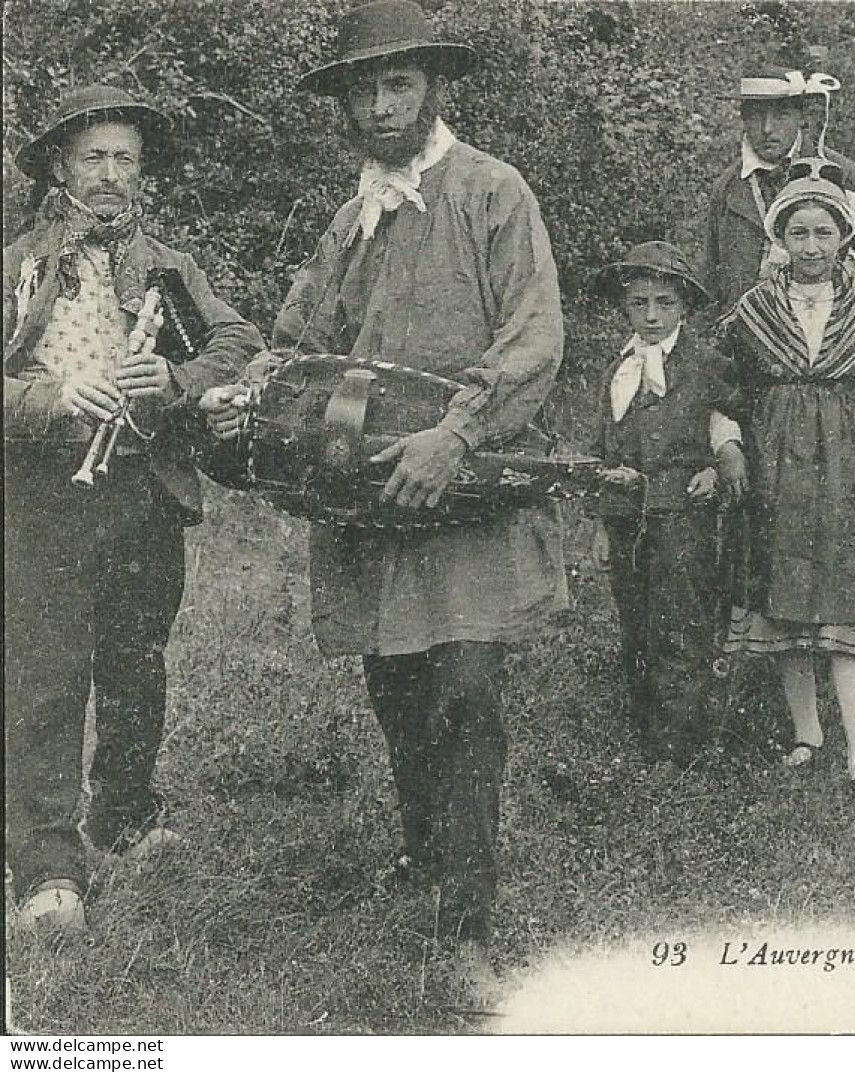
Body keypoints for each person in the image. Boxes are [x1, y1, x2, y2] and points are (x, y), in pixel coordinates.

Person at [201, 0, 566, 955]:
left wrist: (457, 434)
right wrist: (251, 393)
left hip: (466, 488)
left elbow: (532, 336)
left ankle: (471, 898)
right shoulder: (351, 219)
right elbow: (297, 340)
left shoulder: (492, 191)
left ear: (432, 89)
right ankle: (422, 848)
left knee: (466, 685)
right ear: (345, 107)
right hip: (366, 493)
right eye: (362, 88)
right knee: (396, 684)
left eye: (397, 83)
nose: (380, 104)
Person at [4, 86, 262, 932]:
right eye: (93, 158)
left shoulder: (167, 268)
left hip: (144, 493)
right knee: (45, 679)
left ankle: (124, 816)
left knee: (134, 663)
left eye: (126, 160)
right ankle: (46, 866)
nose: (111, 176)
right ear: (58, 166)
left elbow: (239, 342)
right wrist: (52, 395)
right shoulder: (17, 266)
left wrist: (179, 379)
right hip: (41, 498)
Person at [716, 166, 855, 803]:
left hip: (848, 468)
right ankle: (807, 733)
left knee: (849, 595)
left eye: (823, 233)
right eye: (797, 232)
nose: (810, 246)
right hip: (775, 466)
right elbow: (724, 389)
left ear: (844, 239)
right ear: (779, 237)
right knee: (784, 595)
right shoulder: (753, 309)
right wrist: (730, 447)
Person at [587, 242, 747, 764]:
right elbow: (604, 444)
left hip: (682, 516)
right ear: (625, 308)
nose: (652, 315)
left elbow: (729, 425)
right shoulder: (621, 367)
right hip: (626, 513)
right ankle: (646, 734)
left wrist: (715, 468)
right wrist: (600, 524)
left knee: (680, 623)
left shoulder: (705, 364)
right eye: (639, 304)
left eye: (664, 302)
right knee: (635, 621)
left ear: (684, 307)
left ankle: (684, 746)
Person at [697, 64, 855, 325]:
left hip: (825, 331)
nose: (767, 128)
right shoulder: (729, 187)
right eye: (756, 116)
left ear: (801, 117)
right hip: (748, 336)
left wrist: (842, 311)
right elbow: (712, 274)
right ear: (743, 120)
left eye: (780, 115)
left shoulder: (839, 173)